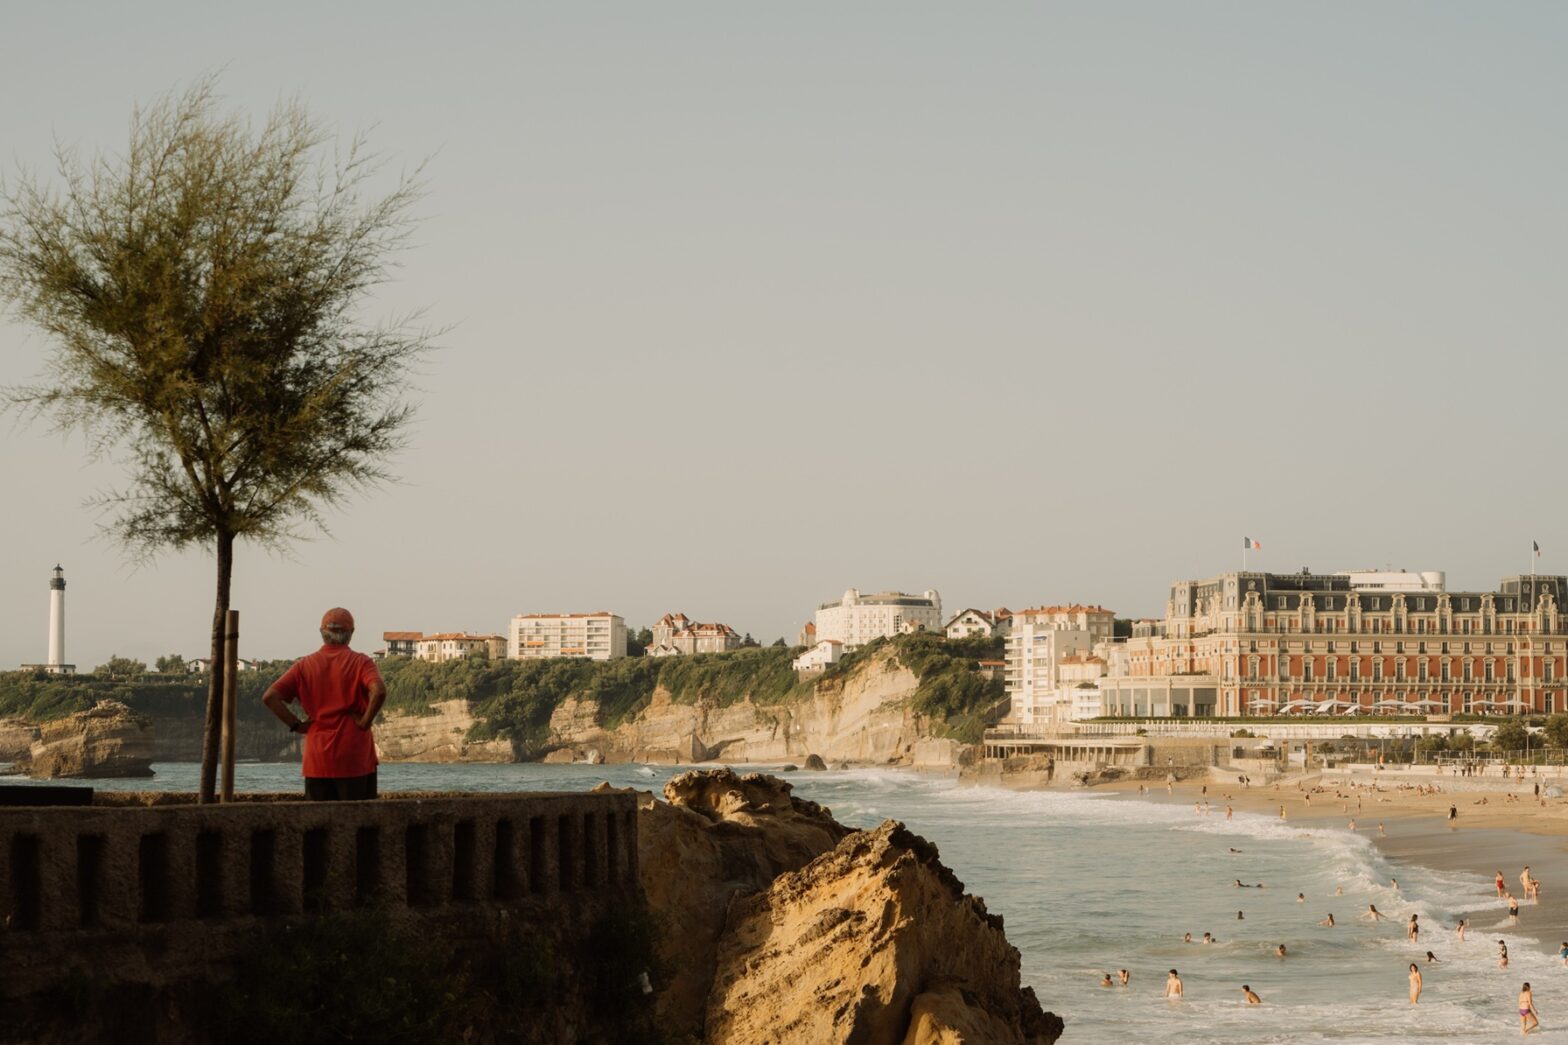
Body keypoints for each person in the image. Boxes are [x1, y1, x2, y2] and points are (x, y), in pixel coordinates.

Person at [261, 607, 385, 801]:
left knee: (318, 826)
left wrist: (297, 725)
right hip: (354, 756)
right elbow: (379, 690)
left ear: (322, 632)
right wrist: (365, 721)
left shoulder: (304, 665)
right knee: (359, 824)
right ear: (351, 633)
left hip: (317, 759)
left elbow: (270, 697)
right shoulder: (361, 662)